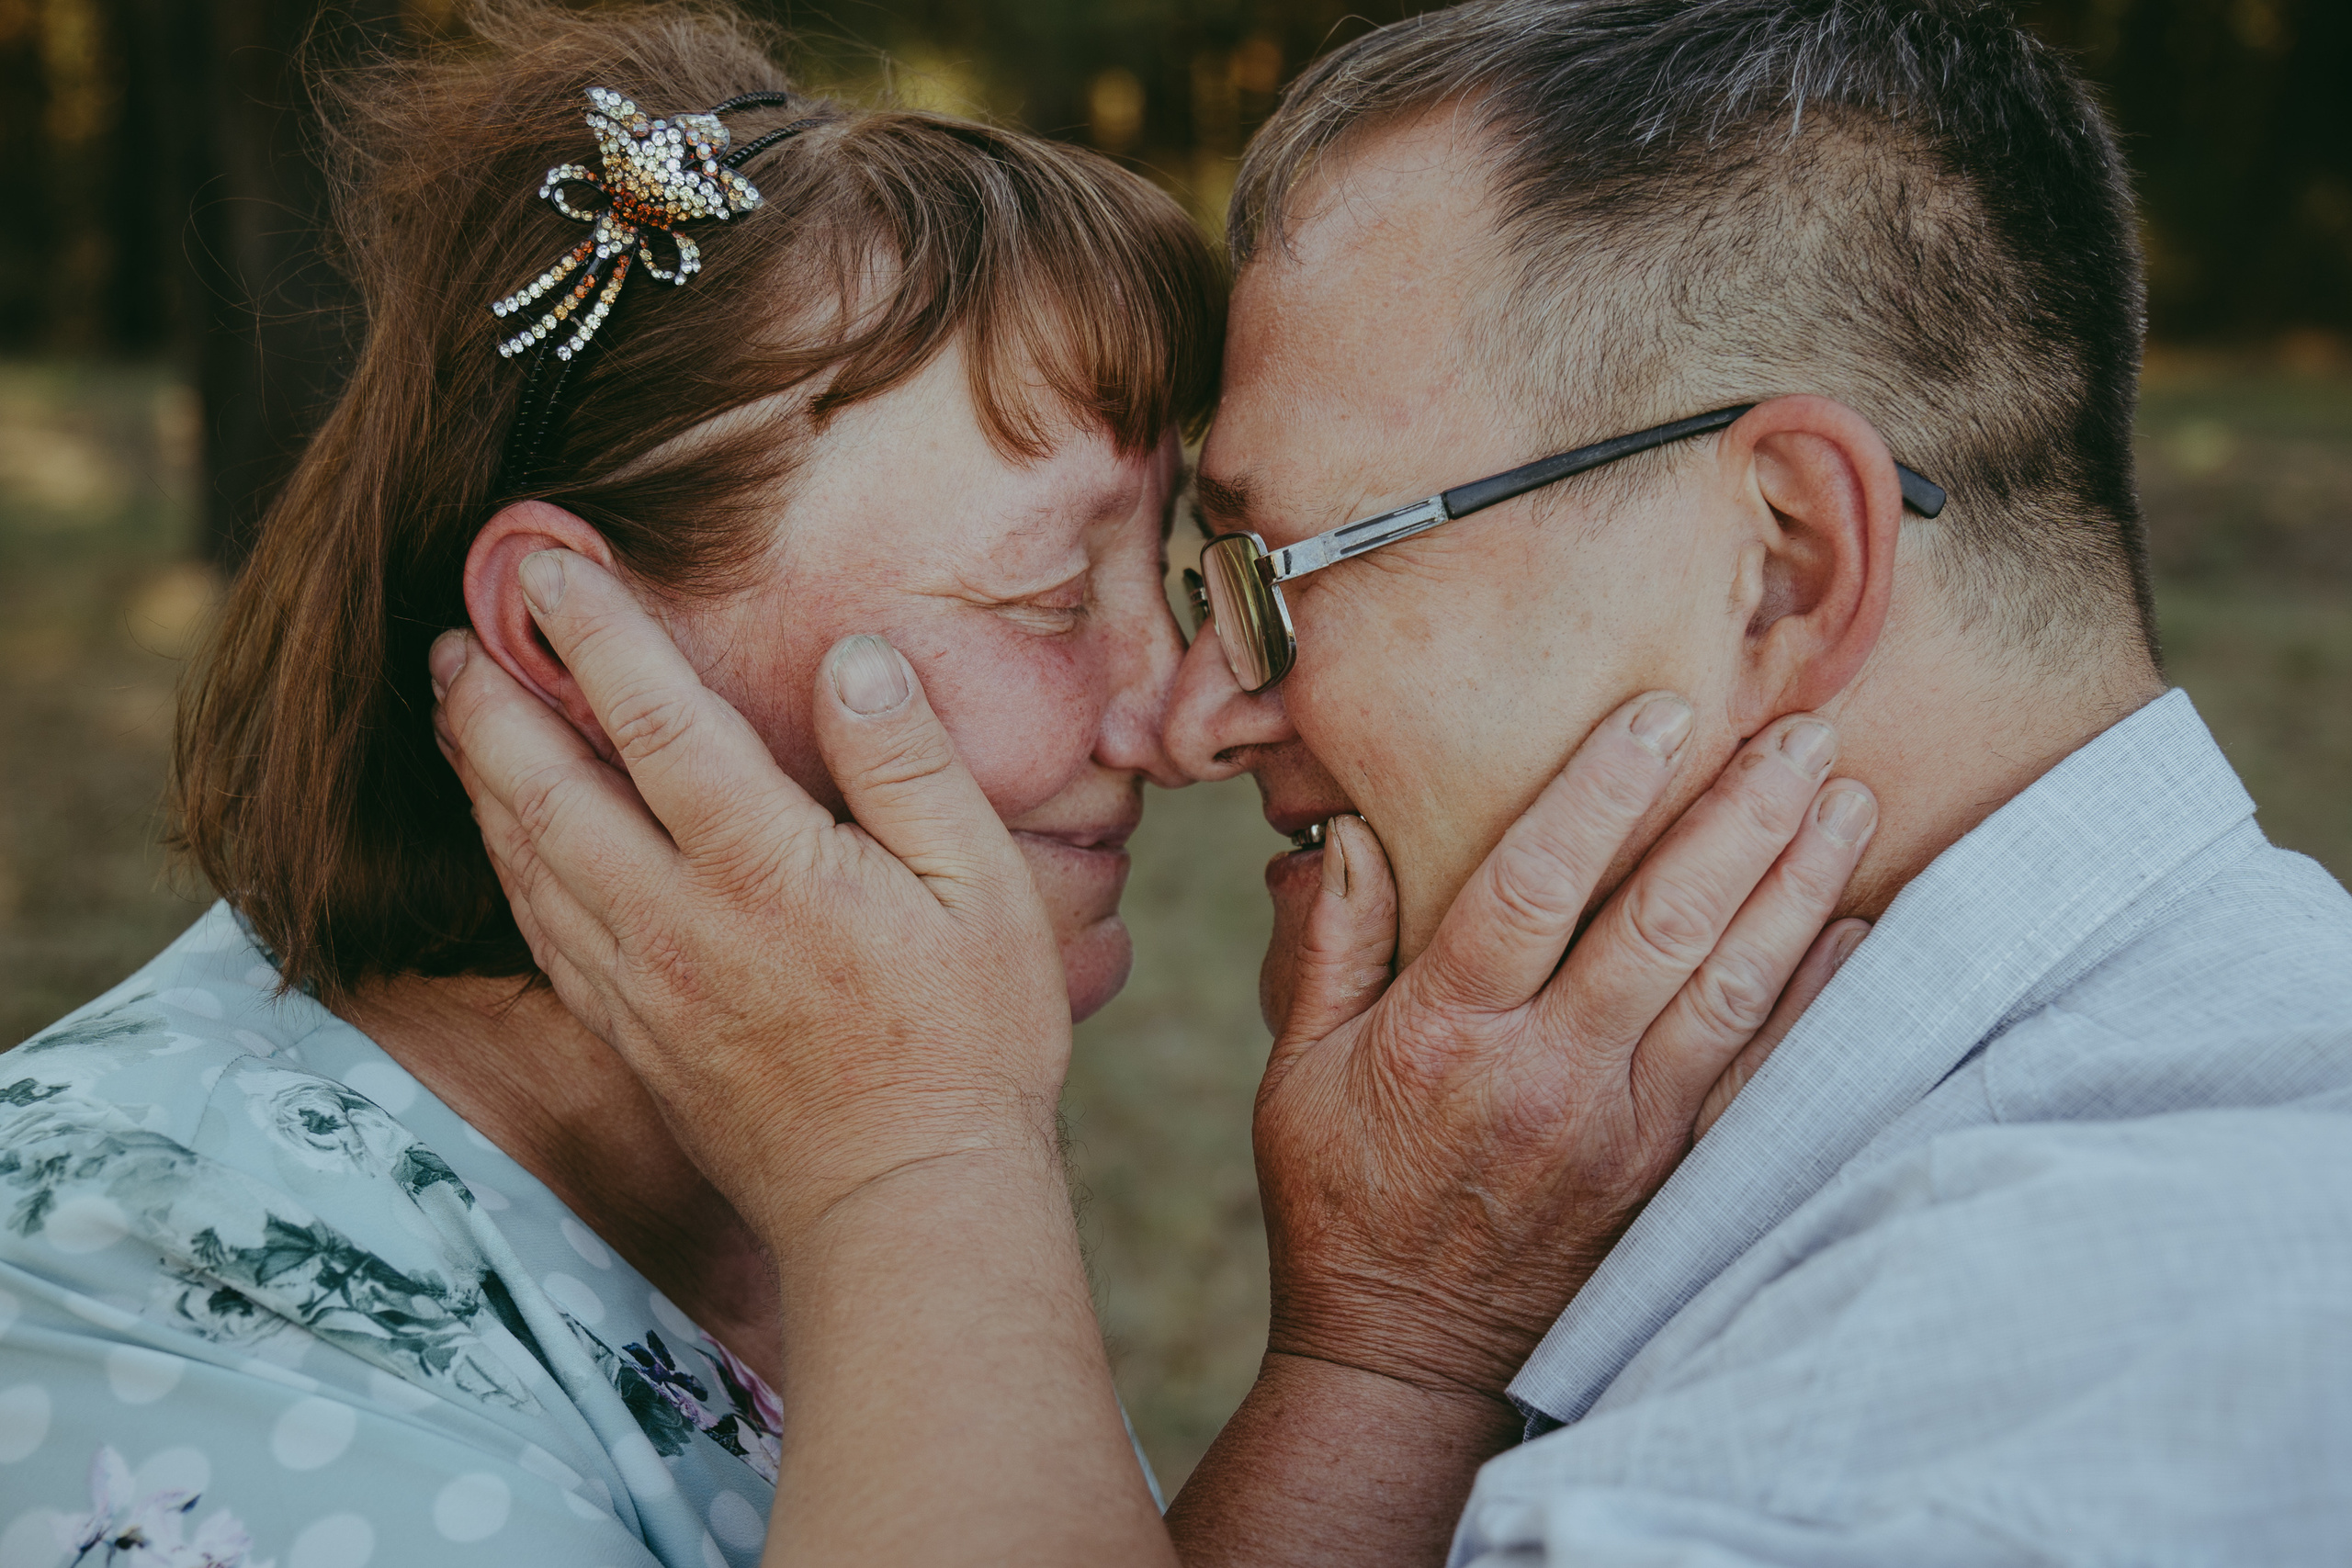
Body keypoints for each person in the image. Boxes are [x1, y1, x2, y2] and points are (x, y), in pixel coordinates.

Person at [432, 0, 2352, 1563]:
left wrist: (913, 1163)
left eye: (1275, 574)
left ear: (1780, 558)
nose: (1197, 719)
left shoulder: (1862, 1470)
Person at [0, 5, 1871, 1567]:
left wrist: (1382, 1342)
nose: (1181, 715)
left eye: (1175, 573)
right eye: (1050, 593)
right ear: (574, 652)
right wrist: (921, 1161)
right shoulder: (124, 1302)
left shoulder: (799, 1107)